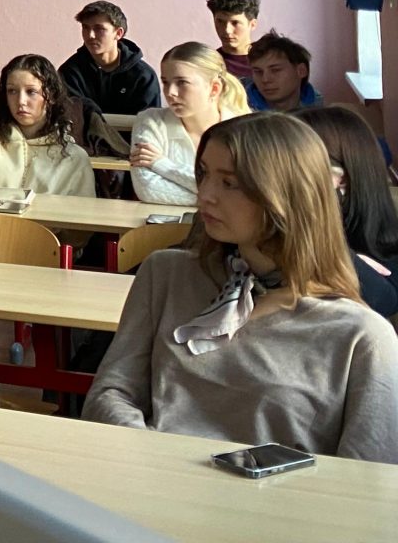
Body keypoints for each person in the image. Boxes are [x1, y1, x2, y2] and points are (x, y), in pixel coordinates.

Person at [84, 112, 398, 461]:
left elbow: (369, 474)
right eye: (204, 174)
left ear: (286, 195)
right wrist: (155, 458)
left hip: (277, 495)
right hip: (151, 480)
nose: (205, 194)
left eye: (229, 183)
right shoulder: (166, 274)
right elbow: (109, 393)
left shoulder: (361, 335)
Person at [298, 105, 398, 317]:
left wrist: (339, 258)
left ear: (339, 179)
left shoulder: (386, 246)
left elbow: (384, 302)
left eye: (294, 164)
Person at [129, 43, 249, 205]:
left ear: (214, 88)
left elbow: (245, 192)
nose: (170, 92)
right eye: (165, 82)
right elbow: (148, 189)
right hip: (161, 221)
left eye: (182, 82)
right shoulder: (151, 121)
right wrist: (220, 199)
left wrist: (162, 165)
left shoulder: (243, 129)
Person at [0, 54, 93, 196]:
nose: (21, 101)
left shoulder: (74, 158)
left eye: (31, 92)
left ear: (51, 95)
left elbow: (82, 209)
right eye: (12, 91)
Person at [58, 0, 160, 120]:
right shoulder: (69, 72)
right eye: (85, 28)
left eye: (99, 29)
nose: (90, 35)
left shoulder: (144, 76)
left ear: (118, 33)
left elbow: (151, 124)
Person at [245, 31, 323, 113]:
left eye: (275, 70)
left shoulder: (320, 110)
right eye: (258, 72)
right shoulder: (240, 109)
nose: (265, 79)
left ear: (301, 71)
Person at [206, 0, 261, 81]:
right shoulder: (210, 64)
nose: (227, 30)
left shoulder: (269, 61)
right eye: (220, 21)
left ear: (252, 24)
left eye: (235, 23)